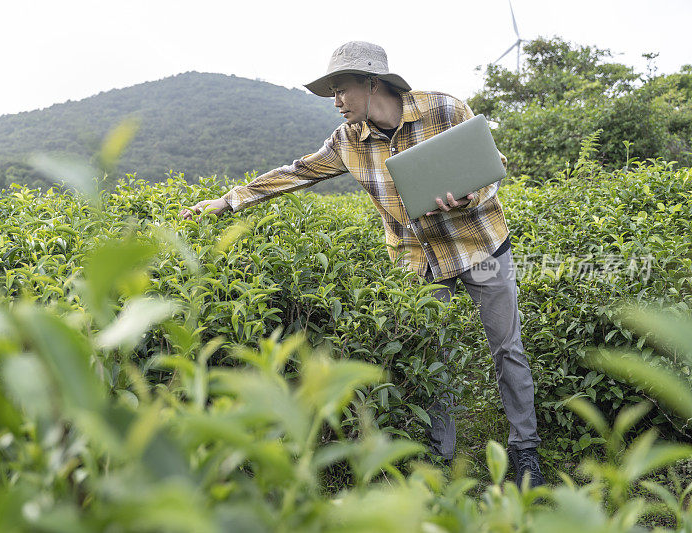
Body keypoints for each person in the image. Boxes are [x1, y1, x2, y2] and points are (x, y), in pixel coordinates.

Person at [180, 41, 545, 488]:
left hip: (481, 248)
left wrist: (471, 195)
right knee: (435, 357)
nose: (335, 102)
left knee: (507, 348)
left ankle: (524, 449)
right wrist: (228, 201)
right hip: (420, 262)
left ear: (373, 83)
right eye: (331, 93)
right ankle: (441, 455)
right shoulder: (347, 142)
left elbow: (493, 164)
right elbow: (296, 172)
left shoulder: (444, 108)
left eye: (341, 90)